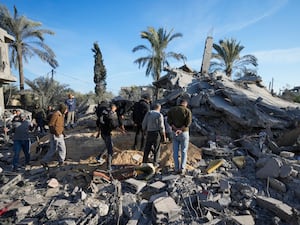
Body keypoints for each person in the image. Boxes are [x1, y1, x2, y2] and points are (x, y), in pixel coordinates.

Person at [167, 99, 192, 175]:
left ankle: (176, 168)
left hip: (174, 132)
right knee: (184, 151)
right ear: (185, 103)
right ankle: (182, 168)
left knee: (175, 151)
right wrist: (181, 130)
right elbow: (188, 123)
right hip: (184, 133)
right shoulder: (187, 111)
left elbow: (169, 121)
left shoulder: (172, 110)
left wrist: (175, 129)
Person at [99, 103, 125, 171]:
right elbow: (114, 126)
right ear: (113, 108)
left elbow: (99, 122)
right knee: (110, 151)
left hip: (103, 133)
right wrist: (121, 131)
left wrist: (98, 132)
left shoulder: (103, 113)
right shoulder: (110, 116)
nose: (115, 111)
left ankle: (99, 157)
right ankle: (109, 167)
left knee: (109, 146)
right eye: (115, 109)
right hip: (107, 134)